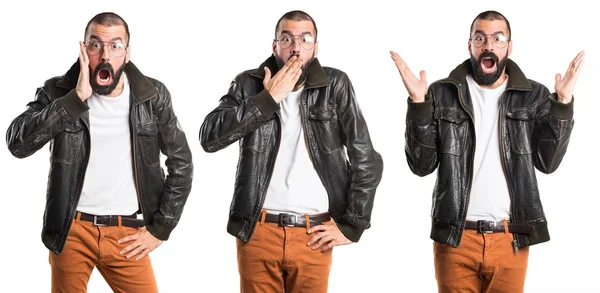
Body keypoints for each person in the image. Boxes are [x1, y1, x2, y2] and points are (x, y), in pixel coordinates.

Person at [390, 10, 584, 293]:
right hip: (455, 239)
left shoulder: (535, 95)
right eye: (480, 38)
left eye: (497, 38)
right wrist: (419, 104)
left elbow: (548, 162)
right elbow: (421, 165)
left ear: (509, 46)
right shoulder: (442, 93)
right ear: (470, 45)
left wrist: (562, 104)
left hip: (511, 239)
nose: (488, 45)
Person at [6, 12, 193, 293]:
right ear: (84, 49)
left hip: (127, 235)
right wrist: (74, 99)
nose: (105, 54)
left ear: (127, 53)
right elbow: (17, 144)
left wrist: (161, 228)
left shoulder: (152, 95)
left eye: (115, 46)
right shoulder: (58, 92)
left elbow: (182, 163)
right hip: (71, 230)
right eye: (96, 45)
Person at [199, 10, 383, 293]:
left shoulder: (335, 85)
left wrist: (353, 225)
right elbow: (209, 137)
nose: (296, 47)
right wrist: (268, 99)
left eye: (305, 39)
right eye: (287, 39)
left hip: (314, 235)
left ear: (315, 48)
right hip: (257, 230)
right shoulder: (248, 83)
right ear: (275, 46)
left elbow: (366, 158)